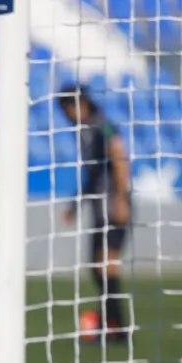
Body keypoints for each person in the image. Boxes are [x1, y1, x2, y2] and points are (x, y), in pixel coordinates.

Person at [58, 84, 133, 345]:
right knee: (96, 267)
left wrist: (121, 199)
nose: (66, 116)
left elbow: (120, 158)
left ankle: (117, 329)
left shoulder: (102, 126)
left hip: (114, 205)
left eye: (67, 108)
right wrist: (75, 204)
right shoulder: (85, 131)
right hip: (100, 208)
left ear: (79, 104)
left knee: (106, 265)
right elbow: (92, 176)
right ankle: (113, 324)